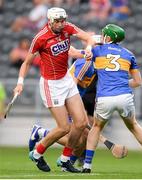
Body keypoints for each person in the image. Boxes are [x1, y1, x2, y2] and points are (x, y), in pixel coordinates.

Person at [28, 35, 128, 171]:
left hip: (75, 98)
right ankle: (41, 133)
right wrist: (72, 108)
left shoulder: (97, 64)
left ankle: (65, 162)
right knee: (76, 138)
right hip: (67, 97)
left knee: (82, 140)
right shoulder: (85, 63)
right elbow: (72, 84)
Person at [13, 7, 95, 173]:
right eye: (57, 21)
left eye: (62, 20)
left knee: (80, 124)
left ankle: (65, 160)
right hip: (51, 85)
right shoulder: (40, 38)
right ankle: (37, 153)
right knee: (64, 127)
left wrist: (88, 49)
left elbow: (89, 37)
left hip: (66, 80)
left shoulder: (67, 28)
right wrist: (20, 82)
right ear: (50, 21)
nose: (61, 24)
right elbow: (27, 62)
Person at [81, 24, 142, 173]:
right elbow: (138, 82)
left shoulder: (97, 50)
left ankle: (87, 165)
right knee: (134, 126)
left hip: (105, 97)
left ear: (109, 37)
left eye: (104, 34)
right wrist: (122, 83)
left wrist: (91, 42)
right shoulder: (129, 54)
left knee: (96, 128)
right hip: (125, 96)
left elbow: (86, 44)